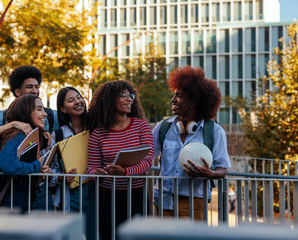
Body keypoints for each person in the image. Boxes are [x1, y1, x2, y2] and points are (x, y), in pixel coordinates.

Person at [152, 65, 231, 220]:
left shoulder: (214, 132)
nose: (172, 100)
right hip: (163, 201)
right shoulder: (163, 128)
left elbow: (223, 169)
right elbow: (145, 155)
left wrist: (211, 174)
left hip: (194, 204)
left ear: (193, 102)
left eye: (178, 96)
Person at [86, 80, 154, 240]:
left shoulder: (141, 126)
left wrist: (125, 172)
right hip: (107, 197)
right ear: (109, 100)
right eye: (123, 96)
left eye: (130, 95)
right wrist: (97, 173)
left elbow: (148, 161)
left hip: (136, 195)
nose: (130, 99)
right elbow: (91, 168)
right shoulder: (98, 133)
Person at [0, 94, 53, 213]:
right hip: (17, 202)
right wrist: (37, 166)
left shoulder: (34, 134)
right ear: (25, 112)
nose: (45, 114)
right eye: (39, 109)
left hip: (24, 199)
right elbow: (7, 164)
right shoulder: (19, 135)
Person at [50, 86, 96, 240]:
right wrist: (61, 177)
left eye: (78, 97)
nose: (77, 102)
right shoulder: (57, 135)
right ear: (63, 108)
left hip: (96, 189)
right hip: (72, 194)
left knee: (95, 234)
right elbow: (50, 169)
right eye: (71, 100)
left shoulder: (96, 129)